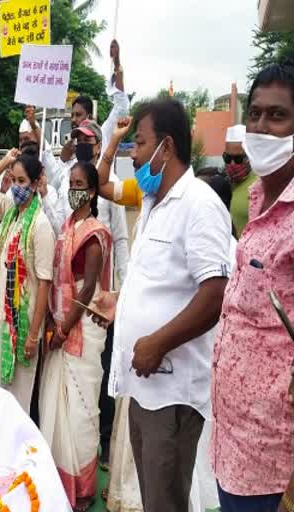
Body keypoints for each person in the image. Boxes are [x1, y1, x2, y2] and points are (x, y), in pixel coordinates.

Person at [107, 99, 231, 512]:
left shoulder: (198, 204)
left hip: (172, 394)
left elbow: (215, 293)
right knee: (154, 499)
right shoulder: (152, 204)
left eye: (140, 143)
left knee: (166, 502)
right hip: (145, 388)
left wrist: (158, 342)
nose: (134, 153)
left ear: (168, 146)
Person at [211, 59, 294, 512]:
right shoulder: (259, 198)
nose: (262, 126)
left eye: (278, 115)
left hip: (276, 463)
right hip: (232, 443)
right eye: (256, 114)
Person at [39, 161, 112, 511]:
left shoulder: (93, 233)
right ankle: (58, 479)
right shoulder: (67, 226)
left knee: (80, 413)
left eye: (80, 183)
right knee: (57, 406)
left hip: (79, 329)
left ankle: (82, 489)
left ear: (93, 191)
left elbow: (87, 291)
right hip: (59, 323)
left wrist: (65, 327)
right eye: (70, 182)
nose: (74, 189)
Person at [0, 147, 56, 413]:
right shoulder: (10, 211)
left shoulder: (40, 225)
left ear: (34, 184)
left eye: (22, 181)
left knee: (14, 403)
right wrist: (6, 162)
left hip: (22, 327)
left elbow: (44, 283)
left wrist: (33, 335)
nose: (17, 187)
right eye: (14, 180)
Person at [224, 124, 257, 234]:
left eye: (238, 159)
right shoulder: (222, 183)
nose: (232, 164)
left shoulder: (260, 185)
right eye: (228, 158)